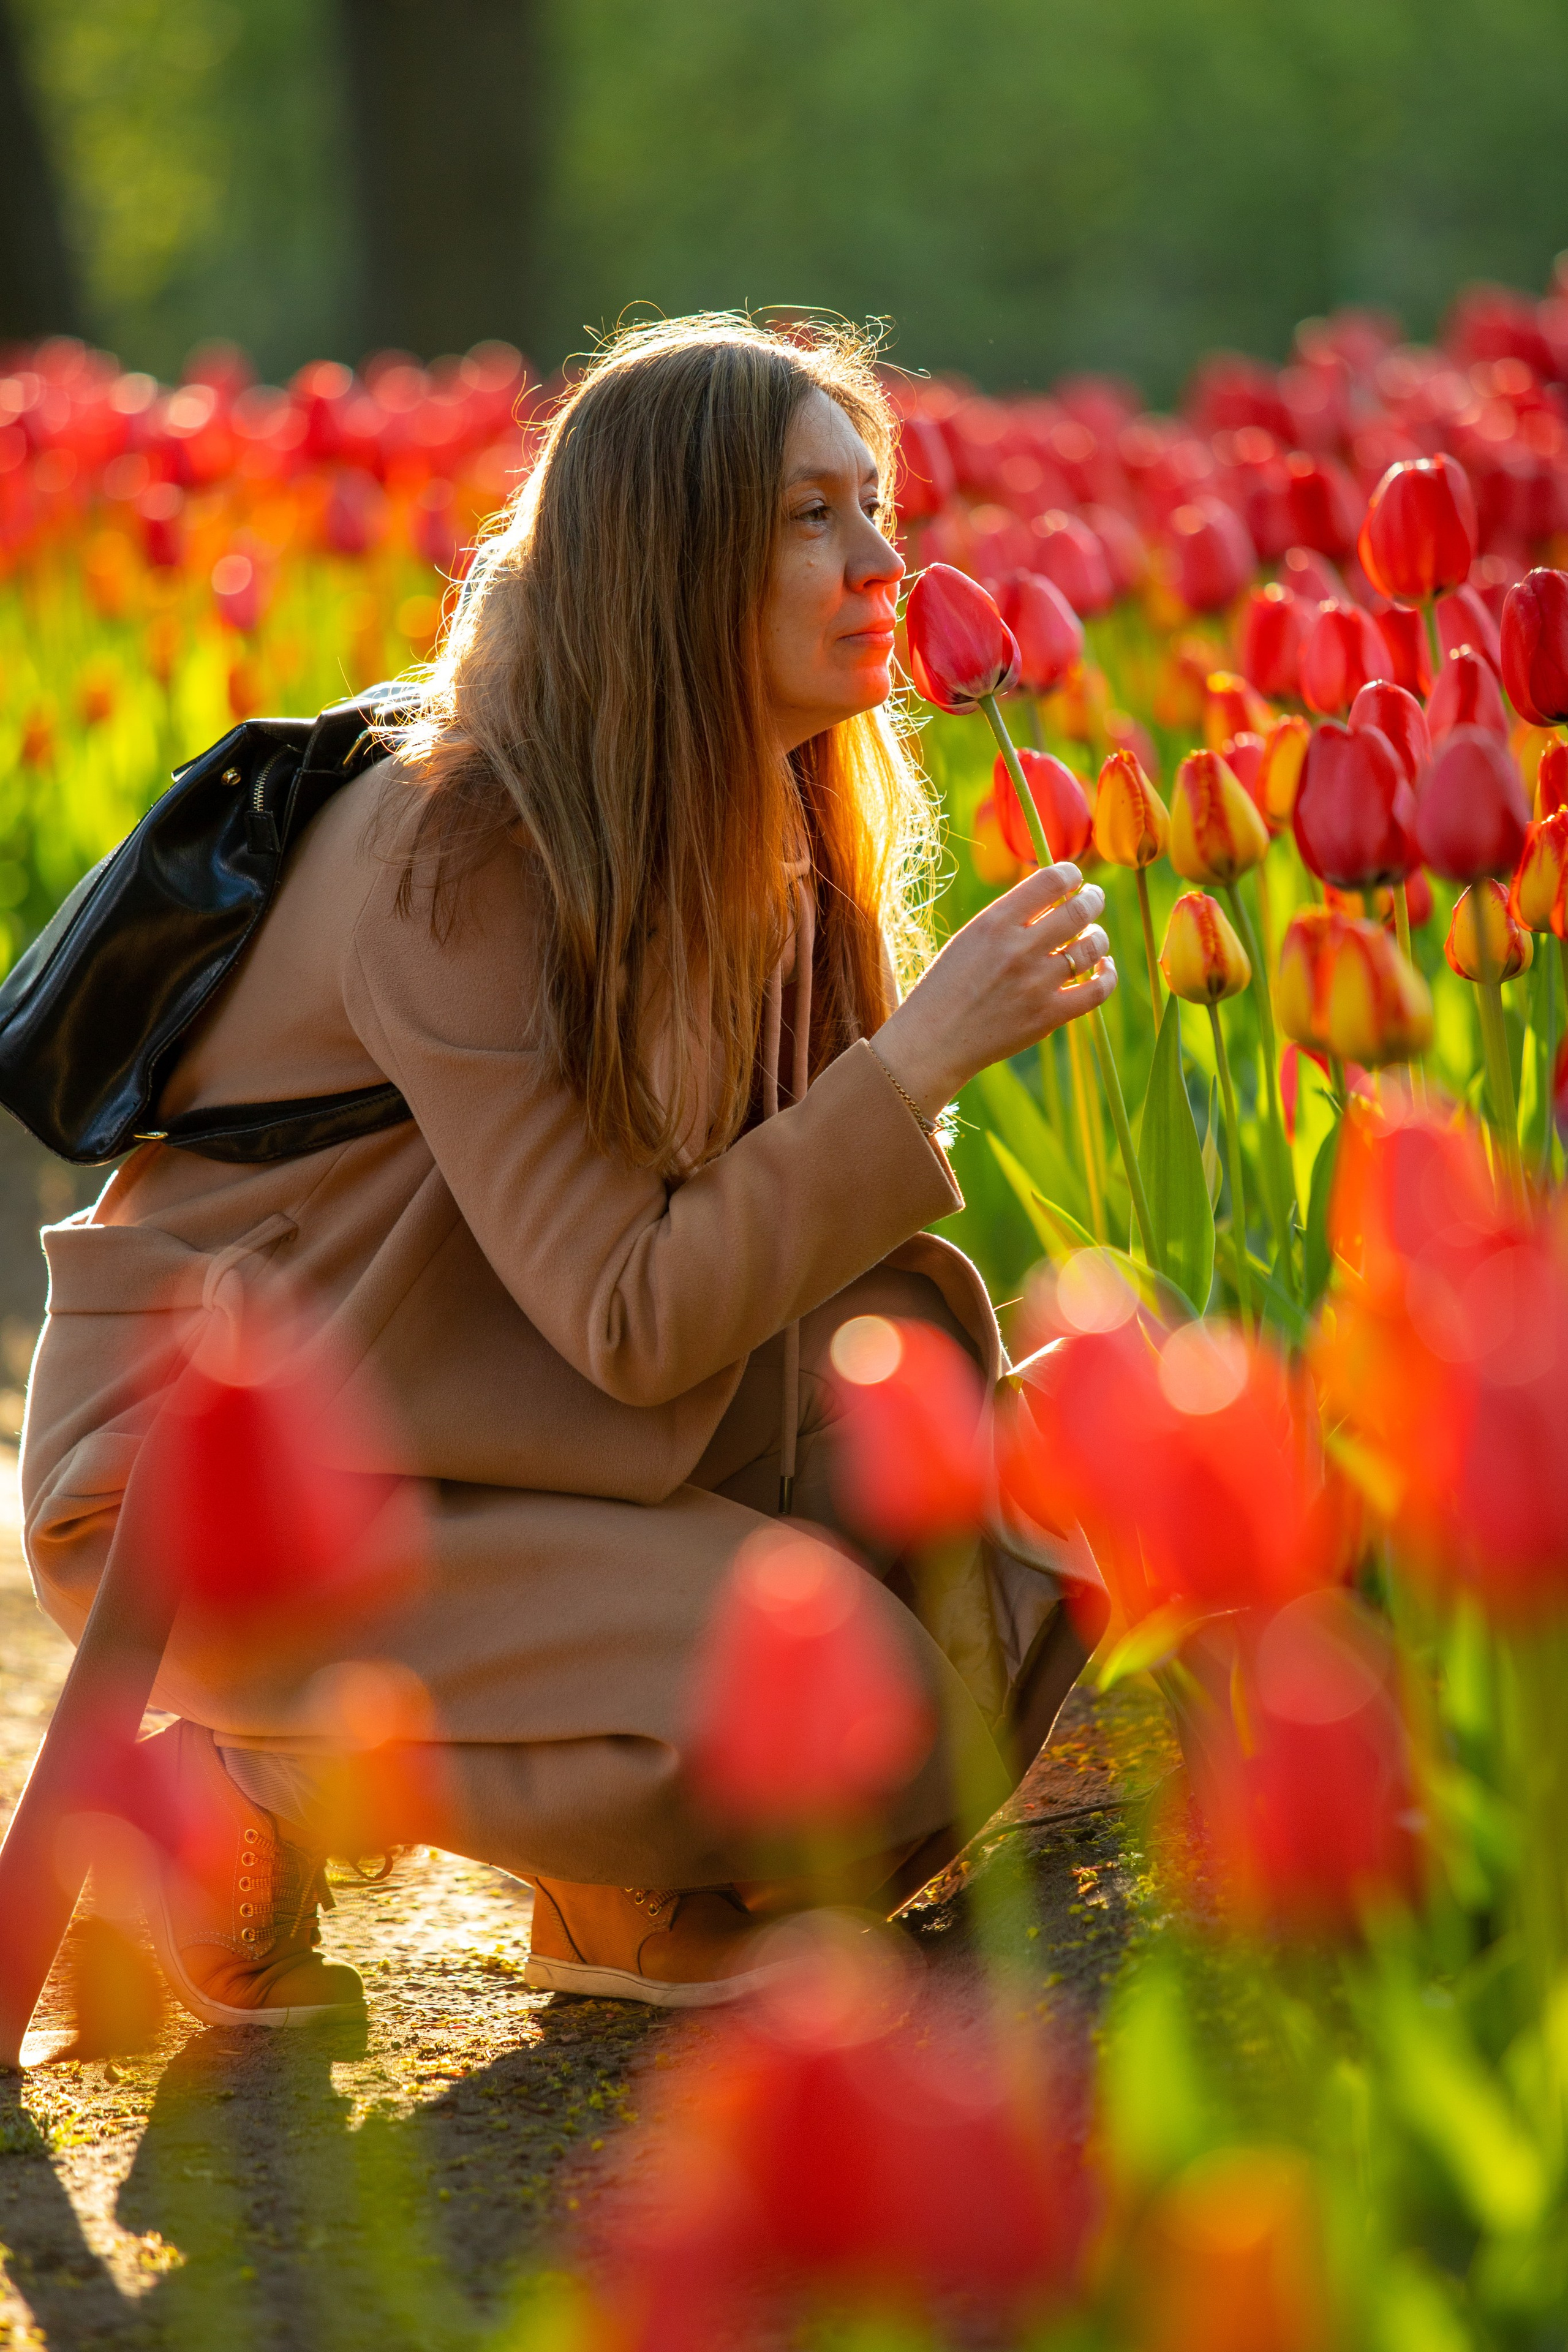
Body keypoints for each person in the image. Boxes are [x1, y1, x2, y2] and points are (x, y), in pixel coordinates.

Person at [21, 315, 1114, 2025]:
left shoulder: (751, 820)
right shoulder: (452, 856)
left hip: (488, 1424)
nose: (887, 562)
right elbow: (627, 1312)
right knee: (855, 1708)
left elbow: (706, 1292)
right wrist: (915, 1068)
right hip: (227, 1484)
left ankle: (626, 1895)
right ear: (668, 557)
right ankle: (255, 1789)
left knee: (1010, 1538)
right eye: (813, 518)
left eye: (877, 508)